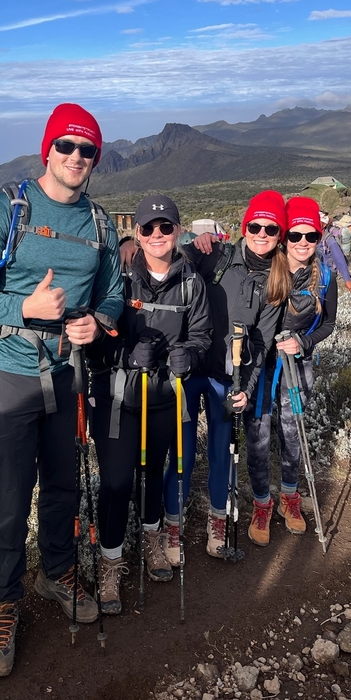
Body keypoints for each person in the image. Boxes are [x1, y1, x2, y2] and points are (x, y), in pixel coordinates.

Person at [0, 103, 124, 677]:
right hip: (7, 373)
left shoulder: (100, 224)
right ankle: (2, 603)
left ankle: (56, 572)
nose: (77, 159)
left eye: (88, 151)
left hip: (65, 374)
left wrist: (97, 323)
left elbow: (111, 290)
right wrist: (25, 308)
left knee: (61, 485)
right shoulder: (5, 209)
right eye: (67, 147)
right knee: (8, 497)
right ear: (46, 150)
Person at [88, 194, 211, 614]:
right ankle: (110, 561)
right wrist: (124, 355)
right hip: (118, 399)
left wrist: (189, 357)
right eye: (147, 228)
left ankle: (153, 541)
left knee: (154, 475)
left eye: (165, 227)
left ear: (178, 231)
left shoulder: (192, 283)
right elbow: (95, 341)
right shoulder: (116, 279)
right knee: (118, 482)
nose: (156, 235)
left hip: (163, 398)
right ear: (136, 234)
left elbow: (201, 336)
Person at [160, 191, 291, 563]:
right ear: (243, 227)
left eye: (270, 228)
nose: (261, 233)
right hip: (191, 369)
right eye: (255, 226)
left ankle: (218, 524)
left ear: (278, 234)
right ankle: (173, 528)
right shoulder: (214, 254)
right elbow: (167, 256)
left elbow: (263, 343)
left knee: (222, 453)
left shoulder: (276, 282)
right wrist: (187, 244)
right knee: (181, 453)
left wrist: (247, 391)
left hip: (228, 380)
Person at [245, 196, 338, 546]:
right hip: (261, 367)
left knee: (292, 432)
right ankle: (261, 504)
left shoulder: (324, 277)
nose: (302, 243)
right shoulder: (268, 268)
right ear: (285, 238)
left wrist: (304, 342)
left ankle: (290, 498)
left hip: (297, 368)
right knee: (258, 436)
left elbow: (327, 324)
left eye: (310, 236)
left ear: (319, 238)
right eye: (295, 235)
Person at [319, 211, 351, 294]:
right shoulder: (313, 238)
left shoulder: (329, 239)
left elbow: (339, 258)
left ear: (324, 225)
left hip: (328, 276)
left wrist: (347, 280)